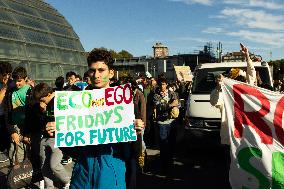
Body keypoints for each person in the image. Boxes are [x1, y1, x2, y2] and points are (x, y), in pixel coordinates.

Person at [45, 48, 145, 189]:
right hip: (82, 175)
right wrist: (59, 132)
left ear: (111, 73)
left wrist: (137, 133)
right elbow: (73, 150)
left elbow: (132, 152)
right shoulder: (77, 103)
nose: (96, 75)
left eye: (101, 70)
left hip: (111, 176)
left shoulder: (123, 103)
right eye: (92, 70)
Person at [210, 43, 256, 187]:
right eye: (238, 79)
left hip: (247, 137)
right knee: (231, 170)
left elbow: (251, 74)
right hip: (231, 138)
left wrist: (247, 56)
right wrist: (218, 87)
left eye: (242, 79)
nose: (241, 82)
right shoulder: (225, 93)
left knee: (248, 170)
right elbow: (214, 101)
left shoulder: (248, 93)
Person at [33, 83, 71, 189]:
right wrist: (42, 111)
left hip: (57, 138)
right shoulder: (46, 105)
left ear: (49, 94)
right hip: (45, 137)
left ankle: (67, 180)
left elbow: (70, 118)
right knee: (44, 165)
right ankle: (49, 186)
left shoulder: (60, 101)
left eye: (42, 99)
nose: (41, 102)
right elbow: (43, 121)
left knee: (54, 165)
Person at [5, 66, 32, 165]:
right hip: (15, 126)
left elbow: (33, 113)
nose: (17, 83)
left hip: (27, 127)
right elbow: (8, 110)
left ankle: (28, 174)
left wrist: (28, 132)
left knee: (27, 151)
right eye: (15, 80)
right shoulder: (11, 91)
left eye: (19, 80)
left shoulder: (30, 91)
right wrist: (12, 130)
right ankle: (17, 173)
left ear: (25, 79)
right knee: (15, 150)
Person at [153, 77, 179, 174]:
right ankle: (164, 166)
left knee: (172, 144)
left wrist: (173, 104)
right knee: (163, 145)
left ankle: (170, 164)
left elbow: (178, 104)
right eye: (161, 84)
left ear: (166, 84)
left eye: (164, 84)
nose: (162, 86)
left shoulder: (172, 93)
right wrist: (171, 104)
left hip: (172, 122)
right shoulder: (156, 95)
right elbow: (160, 107)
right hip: (162, 123)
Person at [0, 61, 12, 164]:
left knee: (6, 134)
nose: (7, 77)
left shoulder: (11, 83)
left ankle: (6, 152)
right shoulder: (3, 85)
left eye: (9, 74)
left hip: (6, 115)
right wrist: (4, 89)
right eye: (4, 74)